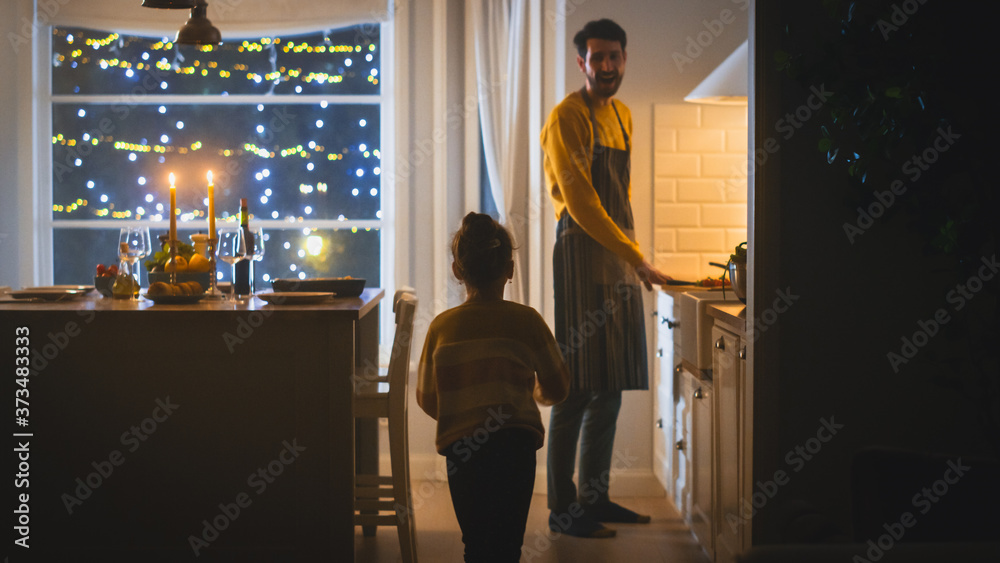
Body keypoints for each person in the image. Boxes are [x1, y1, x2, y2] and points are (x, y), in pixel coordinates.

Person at [540, 18, 673, 539]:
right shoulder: (566, 117)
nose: (609, 66)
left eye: (616, 56)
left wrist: (630, 256)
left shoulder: (622, 115)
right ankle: (562, 507)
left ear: (624, 57)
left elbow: (621, 195)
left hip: (617, 257)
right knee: (576, 387)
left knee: (611, 384)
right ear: (582, 63)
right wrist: (637, 257)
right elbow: (582, 202)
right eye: (599, 58)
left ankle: (595, 497)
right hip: (580, 253)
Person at [417, 212, 571, 562]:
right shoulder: (527, 320)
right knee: (508, 544)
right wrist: (532, 394)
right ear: (510, 269)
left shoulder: (441, 328)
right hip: (515, 445)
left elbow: (426, 398)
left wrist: (464, 408)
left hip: (463, 451)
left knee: (475, 541)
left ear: (458, 271)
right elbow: (558, 386)